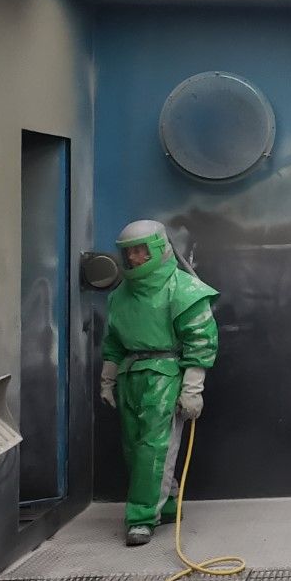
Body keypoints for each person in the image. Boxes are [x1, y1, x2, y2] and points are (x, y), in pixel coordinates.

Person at [98, 219, 219, 546]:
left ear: (158, 248)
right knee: (135, 448)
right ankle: (165, 504)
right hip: (130, 376)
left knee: (155, 449)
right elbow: (113, 341)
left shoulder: (183, 290)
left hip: (165, 376)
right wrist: (108, 378)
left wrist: (192, 388)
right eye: (129, 253)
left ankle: (140, 518)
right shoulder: (121, 296)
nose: (135, 259)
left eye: (141, 250)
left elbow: (201, 341)